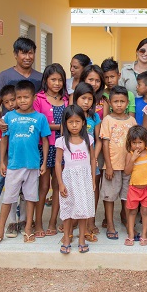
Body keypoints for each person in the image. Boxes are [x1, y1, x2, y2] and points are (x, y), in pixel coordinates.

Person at [0, 37, 42, 238]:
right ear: (15, 54)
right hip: (9, 136)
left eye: (30, 53)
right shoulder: (4, 76)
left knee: (28, 180)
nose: (27, 57)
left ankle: (18, 221)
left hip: (30, 137)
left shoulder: (39, 78)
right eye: (23, 53)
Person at [0, 80, 51, 247]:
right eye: (19, 98)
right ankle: (0, 231)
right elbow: (3, 139)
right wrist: (2, 161)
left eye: (26, 97)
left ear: (33, 97)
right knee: (8, 199)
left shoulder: (40, 118)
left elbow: (45, 141)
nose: (22, 101)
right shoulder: (8, 117)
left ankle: (28, 228)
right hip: (14, 165)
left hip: (32, 165)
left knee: (31, 198)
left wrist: (43, 163)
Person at [32, 63, 68, 239]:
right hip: (45, 148)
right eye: (53, 79)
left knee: (57, 186)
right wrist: (60, 126)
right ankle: (38, 222)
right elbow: (38, 124)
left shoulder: (66, 100)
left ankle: (53, 221)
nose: (57, 83)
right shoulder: (38, 99)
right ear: (46, 80)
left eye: (60, 79)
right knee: (43, 186)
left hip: (62, 148)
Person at [55, 105, 96, 254]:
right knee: (67, 208)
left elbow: (92, 158)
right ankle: (66, 238)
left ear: (83, 122)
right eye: (70, 122)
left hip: (84, 179)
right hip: (69, 180)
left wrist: (92, 179)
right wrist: (60, 183)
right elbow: (58, 163)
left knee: (83, 209)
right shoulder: (61, 141)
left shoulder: (88, 139)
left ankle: (82, 239)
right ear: (65, 123)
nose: (74, 125)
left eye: (77, 121)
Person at [99, 86, 137, 241]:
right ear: (110, 102)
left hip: (129, 166)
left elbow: (136, 143)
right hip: (113, 166)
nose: (119, 104)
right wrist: (108, 165)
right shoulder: (107, 120)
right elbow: (105, 144)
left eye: (122, 101)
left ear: (127, 102)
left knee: (127, 197)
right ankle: (110, 225)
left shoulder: (132, 120)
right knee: (109, 197)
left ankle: (129, 225)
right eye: (116, 101)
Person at [0, 85, 27, 239]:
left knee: (25, 193)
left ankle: (24, 220)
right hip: (12, 161)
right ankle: (12, 222)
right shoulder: (5, 121)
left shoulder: (29, 117)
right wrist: (3, 162)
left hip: (26, 161)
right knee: (12, 193)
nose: (10, 104)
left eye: (12, 100)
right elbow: (2, 141)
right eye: (6, 102)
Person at [72, 82, 102, 239]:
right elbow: (65, 138)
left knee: (92, 190)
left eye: (90, 99)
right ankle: (75, 219)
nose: (86, 102)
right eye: (83, 98)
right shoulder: (70, 114)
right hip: (74, 161)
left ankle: (90, 221)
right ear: (76, 98)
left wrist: (94, 157)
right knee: (74, 191)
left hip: (90, 161)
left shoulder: (95, 117)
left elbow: (99, 140)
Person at [123, 126, 147, 247]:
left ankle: (144, 235)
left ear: (145, 141)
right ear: (130, 143)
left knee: (145, 211)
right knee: (132, 212)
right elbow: (127, 171)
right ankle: (130, 235)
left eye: (140, 142)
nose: (137, 146)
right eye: (134, 143)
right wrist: (133, 159)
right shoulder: (130, 155)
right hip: (134, 188)